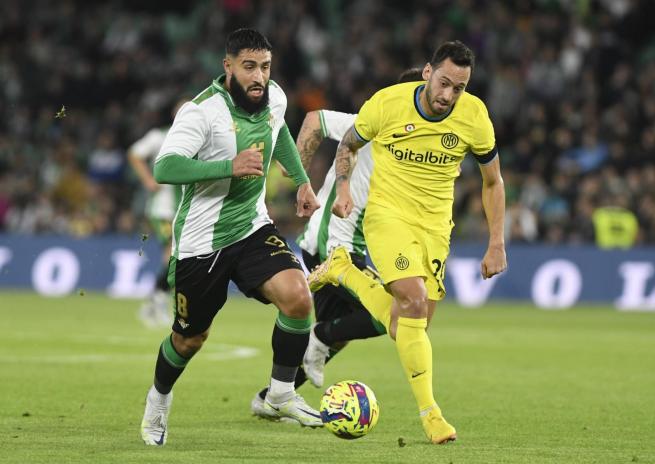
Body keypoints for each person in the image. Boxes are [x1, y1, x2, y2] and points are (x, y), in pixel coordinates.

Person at [308, 41, 507, 444]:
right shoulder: (388, 103)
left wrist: (496, 242)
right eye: (445, 83)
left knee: (408, 326)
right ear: (427, 72)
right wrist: (343, 189)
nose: (449, 96)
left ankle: (344, 269)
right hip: (388, 217)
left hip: (435, 228)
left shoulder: (474, 117)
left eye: (460, 88)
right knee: (413, 301)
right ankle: (431, 414)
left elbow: (493, 181)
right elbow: (348, 143)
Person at [139, 28, 322, 446]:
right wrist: (229, 166)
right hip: (201, 242)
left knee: (298, 298)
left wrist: (301, 181)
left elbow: (280, 139)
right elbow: (164, 168)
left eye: (265, 67)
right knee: (190, 339)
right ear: (228, 66)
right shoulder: (200, 112)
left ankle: (280, 394)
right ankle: (158, 399)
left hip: (251, 226)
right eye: (249, 67)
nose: (259, 76)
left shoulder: (275, 97)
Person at [250, 68, 424, 418]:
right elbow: (315, 119)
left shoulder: (416, 149)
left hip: (346, 245)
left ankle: (270, 397)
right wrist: (298, 168)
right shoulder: (370, 123)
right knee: (395, 311)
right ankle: (316, 341)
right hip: (334, 244)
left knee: (340, 332)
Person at [128, 100, 185, 328]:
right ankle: (156, 299)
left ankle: (156, 299)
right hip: (162, 209)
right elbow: (134, 154)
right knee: (172, 254)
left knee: (178, 258)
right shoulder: (159, 136)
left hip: (186, 210)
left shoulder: (202, 139)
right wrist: (148, 181)